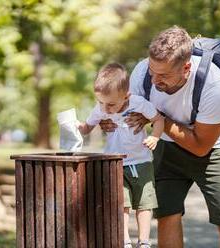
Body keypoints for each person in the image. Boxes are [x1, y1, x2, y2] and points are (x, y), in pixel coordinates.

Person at [100, 26, 220, 247]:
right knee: (166, 212)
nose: (155, 81)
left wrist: (158, 119)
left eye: (164, 75)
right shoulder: (142, 73)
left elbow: (200, 146)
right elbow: (130, 115)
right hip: (167, 145)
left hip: (218, 147)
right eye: (152, 71)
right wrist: (108, 121)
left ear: (186, 68)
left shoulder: (214, 86)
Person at [78, 62, 164, 248]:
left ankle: (144, 242)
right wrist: (76, 126)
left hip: (142, 161)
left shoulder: (138, 103)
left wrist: (155, 137)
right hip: (115, 163)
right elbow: (86, 127)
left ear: (126, 96)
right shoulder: (101, 109)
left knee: (144, 203)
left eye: (110, 104)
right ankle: (124, 240)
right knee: (121, 203)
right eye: (101, 102)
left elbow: (158, 119)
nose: (105, 109)